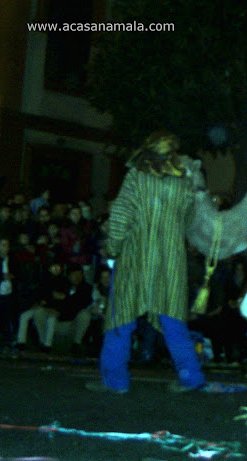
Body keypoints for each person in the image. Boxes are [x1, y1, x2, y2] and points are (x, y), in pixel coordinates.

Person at [85, 131, 206, 394]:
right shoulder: (183, 183)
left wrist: (113, 249)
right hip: (170, 263)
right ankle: (190, 376)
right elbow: (188, 218)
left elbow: (120, 217)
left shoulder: (136, 178)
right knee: (173, 321)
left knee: (121, 320)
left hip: (135, 260)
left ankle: (115, 380)